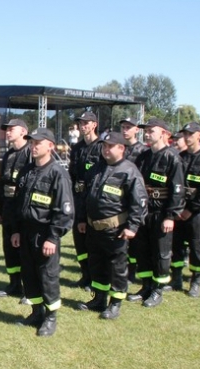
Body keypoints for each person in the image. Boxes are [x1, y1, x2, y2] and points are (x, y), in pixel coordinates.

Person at [76, 132, 148, 319]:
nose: (105, 149)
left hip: (116, 229)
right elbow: (85, 196)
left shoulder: (129, 171)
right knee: (96, 263)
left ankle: (115, 303)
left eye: (110, 146)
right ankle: (99, 298)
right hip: (94, 228)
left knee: (117, 267)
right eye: (104, 146)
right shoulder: (96, 168)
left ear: (121, 148)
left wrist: (132, 226)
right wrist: (82, 219)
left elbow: (139, 201)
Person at [10, 128, 73, 335]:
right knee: (29, 274)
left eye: (38, 143)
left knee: (47, 275)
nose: (33, 146)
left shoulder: (58, 173)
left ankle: (51, 316)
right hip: (26, 232)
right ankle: (36, 312)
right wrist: (16, 230)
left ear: (50, 146)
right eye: (32, 142)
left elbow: (64, 210)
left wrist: (53, 238)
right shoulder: (26, 171)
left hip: (45, 234)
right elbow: (18, 203)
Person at [127, 118, 184, 308]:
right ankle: (146, 286)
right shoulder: (143, 156)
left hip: (161, 212)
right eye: (146, 130)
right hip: (144, 211)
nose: (147, 133)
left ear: (164, 133)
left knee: (161, 252)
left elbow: (177, 190)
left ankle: (158, 289)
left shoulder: (172, 157)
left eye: (152, 130)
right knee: (142, 250)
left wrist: (170, 216)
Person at [167, 122, 200, 298]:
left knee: (197, 247)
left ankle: (195, 282)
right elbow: (174, 185)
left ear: (199, 135)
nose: (187, 137)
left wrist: (190, 209)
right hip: (179, 211)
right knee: (176, 246)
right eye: (185, 134)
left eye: (190, 134)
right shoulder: (180, 157)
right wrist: (176, 209)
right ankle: (176, 278)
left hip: (196, 213)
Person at [0, 118, 31, 301]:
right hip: (8, 209)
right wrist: (0, 210)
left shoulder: (30, 153)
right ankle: (14, 284)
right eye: (6, 130)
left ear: (23, 131)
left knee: (24, 250)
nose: (7, 132)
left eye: (11, 129)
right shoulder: (8, 154)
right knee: (9, 248)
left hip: (22, 209)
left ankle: (29, 289)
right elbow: (1, 183)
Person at [68, 111, 103, 290]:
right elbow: (71, 175)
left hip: (93, 198)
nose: (83, 126)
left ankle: (95, 277)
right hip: (78, 198)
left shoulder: (101, 147)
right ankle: (85, 275)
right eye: (81, 123)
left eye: (86, 123)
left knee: (93, 241)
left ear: (94, 125)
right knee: (79, 240)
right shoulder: (77, 148)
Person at [120, 116, 147, 283]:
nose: (125, 130)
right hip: (120, 199)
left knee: (136, 240)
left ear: (137, 129)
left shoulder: (143, 151)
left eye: (128, 127)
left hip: (135, 198)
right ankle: (123, 270)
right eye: (123, 127)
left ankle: (132, 271)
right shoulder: (119, 148)